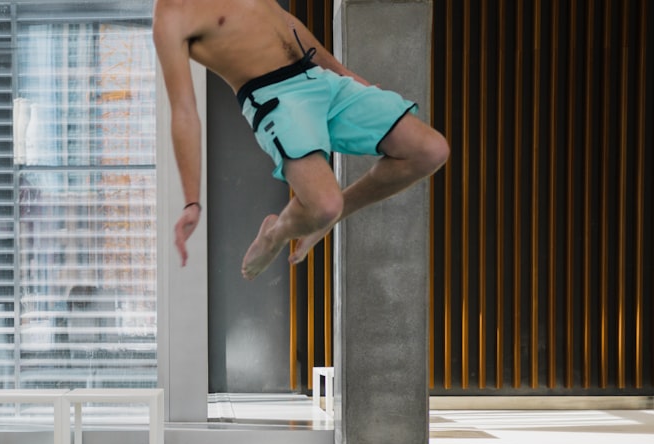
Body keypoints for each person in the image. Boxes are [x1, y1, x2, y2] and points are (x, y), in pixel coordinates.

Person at [153, 0, 450, 280]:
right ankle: (276, 233)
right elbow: (184, 112)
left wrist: (345, 74)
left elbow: (284, 21)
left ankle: (328, 218)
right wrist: (191, 202)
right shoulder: (171, 15)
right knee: (324, 206)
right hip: (276, 98)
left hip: (318, 79)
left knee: (430, 151)